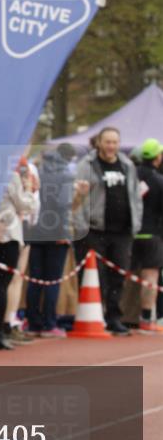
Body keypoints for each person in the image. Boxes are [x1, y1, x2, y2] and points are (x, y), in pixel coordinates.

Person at [73, 125, 143, 335]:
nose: (111, 146)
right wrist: (81, 224)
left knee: (118, 276)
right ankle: (95, 315)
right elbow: (77, 195)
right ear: (99, 143)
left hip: (122, 231)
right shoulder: (87, 164)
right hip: (95, 230)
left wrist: (135, 223)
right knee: (96, 276)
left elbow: (135, 195)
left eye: (115, 142)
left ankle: (114, 317)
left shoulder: (127, 165)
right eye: (107, 142)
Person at [0, 160, 39, 350]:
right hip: (7, 232)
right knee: (1, 284)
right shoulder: (9, 176)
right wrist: (29, 190)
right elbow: (24, 205)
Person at [25, 143, 83, 337]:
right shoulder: (66, 176)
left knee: (35, 279)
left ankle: (33, 322)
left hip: (35, 231)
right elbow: (63, 204)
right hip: (56, 231)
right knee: (52, 280)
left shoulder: (37, 172)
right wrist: (65, 233)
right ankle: (49, 323)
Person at [133, 138, 163, 333]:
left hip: (128, 233)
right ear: (158, 157)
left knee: (125, 276)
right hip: (152, 233)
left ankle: (120, 316)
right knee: (150, 275)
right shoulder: (159, 180)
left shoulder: (131, 175)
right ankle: (146, 317)